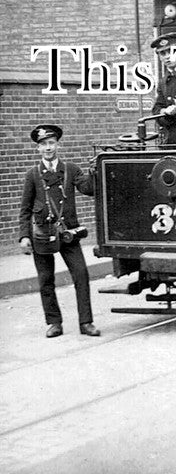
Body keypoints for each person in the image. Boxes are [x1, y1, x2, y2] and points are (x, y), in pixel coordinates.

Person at [18, 124, 100, 339]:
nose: (48, 148)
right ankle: (54, 323)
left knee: (81, 275)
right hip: (42, 235)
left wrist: (94, 172)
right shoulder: (33, 174)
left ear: (58, 145)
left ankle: (86, 322)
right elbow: (25, 209)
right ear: (38, 148)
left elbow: (88, 189)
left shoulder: (71, 169)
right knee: (46, 280)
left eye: (51, 143)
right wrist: (24, 236)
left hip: (68, 233)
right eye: (43, 144)